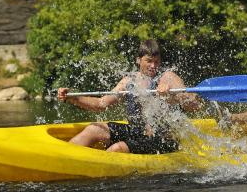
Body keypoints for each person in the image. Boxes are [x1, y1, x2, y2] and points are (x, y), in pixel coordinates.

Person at [57, 39, 201, 154]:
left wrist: (174, 95)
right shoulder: (129, 81)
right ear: (138, 60)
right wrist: (73, 98)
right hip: (135, 132)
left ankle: (96, 170)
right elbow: (101, 104)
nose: (153, 66)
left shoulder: (168, 77)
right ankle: (62, 158)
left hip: (163, 140)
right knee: (93, 129)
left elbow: (194, 105)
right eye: (149, 61)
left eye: (156, 62)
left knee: (117, 148)